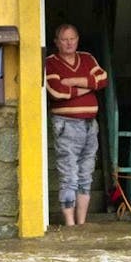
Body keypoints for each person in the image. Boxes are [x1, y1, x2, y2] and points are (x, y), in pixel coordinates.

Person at [45, 23, 108, 226]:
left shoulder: (88, 58)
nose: (69, 42)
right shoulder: (50, 63)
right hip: (66, 124)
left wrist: (74, 81)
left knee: (86, 175)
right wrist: (88, 86)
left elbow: (103, 79)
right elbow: (57, 91)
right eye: (64, 39)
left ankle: (81, 223)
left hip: (91, 124)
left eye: (72, 38)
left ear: (78, 39)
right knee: (69, 175)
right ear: (56, 42)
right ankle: (70, 224)